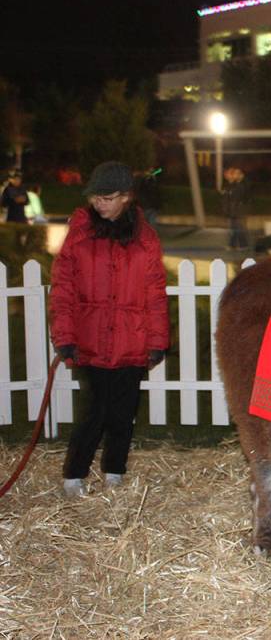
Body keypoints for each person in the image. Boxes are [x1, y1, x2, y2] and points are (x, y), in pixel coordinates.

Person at [49, 161, 170, 497]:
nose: (100, 203)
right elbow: (62, 289)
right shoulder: (80, 234)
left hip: (133, 340)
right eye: (96, 197)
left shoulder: (146, 238)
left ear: (126, 197)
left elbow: (155, 293)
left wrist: (158, 340)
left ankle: (114, 471)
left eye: (108, 197)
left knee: (123, 413)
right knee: (95, 412)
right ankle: (74, 475)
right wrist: (64, 336)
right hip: (91, 340)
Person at [221, 165, 250, 250]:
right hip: (233, 211)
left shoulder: (238, 186)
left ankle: (243, 245)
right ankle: (233, 245)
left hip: (237, 211)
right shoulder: (230, 186)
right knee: (234, 229)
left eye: (230, 174)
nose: (227, 175)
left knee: (238, 229)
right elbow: (227, 199)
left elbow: (237, 199)